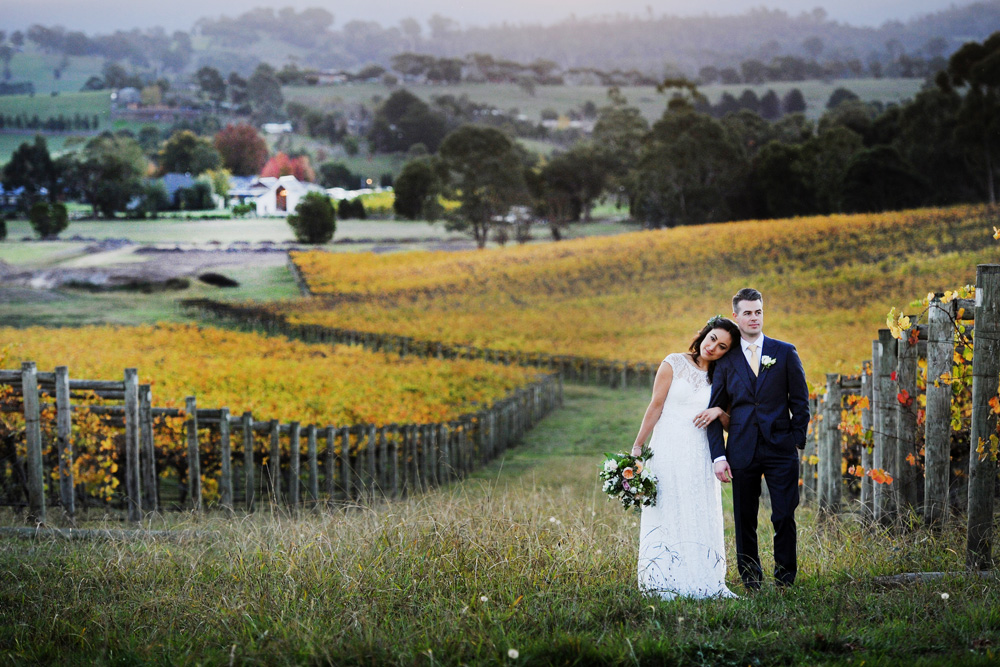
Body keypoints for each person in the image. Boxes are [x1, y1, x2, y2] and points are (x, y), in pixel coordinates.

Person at [630, 316, 742, 599]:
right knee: (666, 507)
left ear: (728, 352)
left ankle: (703, 578)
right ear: (703, 335)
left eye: (723, 346)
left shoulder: (721, 378)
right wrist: (637, 447)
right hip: (668, 447)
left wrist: (718, 412)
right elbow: (655, 406)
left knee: (697, 508)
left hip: (699, 452)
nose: (714, 347)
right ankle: (661, 578)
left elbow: (730, 423)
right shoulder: (673, 363)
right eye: (713, 338)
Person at [707, 288, 810, 590]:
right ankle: (751, 579)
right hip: (741, 449)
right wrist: (719, 455)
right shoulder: (726, 362)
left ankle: (785, 579)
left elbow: (800, 402)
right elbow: (714, 410)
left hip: (781, 448)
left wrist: (795, 440)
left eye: (759, 312)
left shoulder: (784, 352)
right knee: (745, 519)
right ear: (736, 316)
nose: (754, 318)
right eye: (748, 313)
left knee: (783, 515)